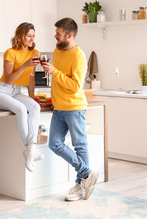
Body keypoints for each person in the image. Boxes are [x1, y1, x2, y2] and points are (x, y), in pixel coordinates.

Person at [42, 18, 98, 201]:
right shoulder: (57, 52)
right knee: (54, 144)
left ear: (69, 35)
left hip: (74, 107)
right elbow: (58, 80)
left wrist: (54, 72)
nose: (55, 36)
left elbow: (75, 86)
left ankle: (81, 186)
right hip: (58, 107)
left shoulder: (79, 56)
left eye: (58, 34)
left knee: (80, 145)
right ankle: (87, 174)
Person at [0, 22, 44, 172]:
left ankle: (30, 149)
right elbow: (10, 79)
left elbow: (31, 79)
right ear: (21, 36)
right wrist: (26, 65)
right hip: (1, 92)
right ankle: (30, 151)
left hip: (16, 92)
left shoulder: (35, 52)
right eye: (28, 36)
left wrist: (32, 97)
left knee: (34, 107)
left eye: (33, 36)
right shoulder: (10, 52)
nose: (32, 39)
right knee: (21, 109)